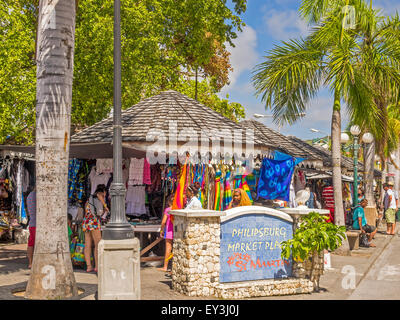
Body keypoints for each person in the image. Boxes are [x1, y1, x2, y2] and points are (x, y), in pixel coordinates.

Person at [82, 184, 108, 273]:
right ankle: (97, 266)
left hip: (86, 222)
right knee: (98, 244)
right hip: (94, 222)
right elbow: (100, 212)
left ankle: (89, 266)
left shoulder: (89, 199)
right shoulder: (99, 196)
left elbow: (87, 210)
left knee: (88, 244)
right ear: (103, 192)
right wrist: (105, 206)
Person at [158, 195, 174, 272]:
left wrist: (161, 230)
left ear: (168, 202)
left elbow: (163, 222)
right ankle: (174, 267)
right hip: (177, 231)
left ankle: (165, 267)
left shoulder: (168, 210)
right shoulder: (178, 209)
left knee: (168, 248)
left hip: (169, 231)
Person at [26, 187, 36, 269]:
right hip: (37, 223)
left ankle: (30, 262)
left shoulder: (29, 196)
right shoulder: (38, 195)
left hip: (32, 222)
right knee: (33, 243)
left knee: (31, 243)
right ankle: (32, 263)